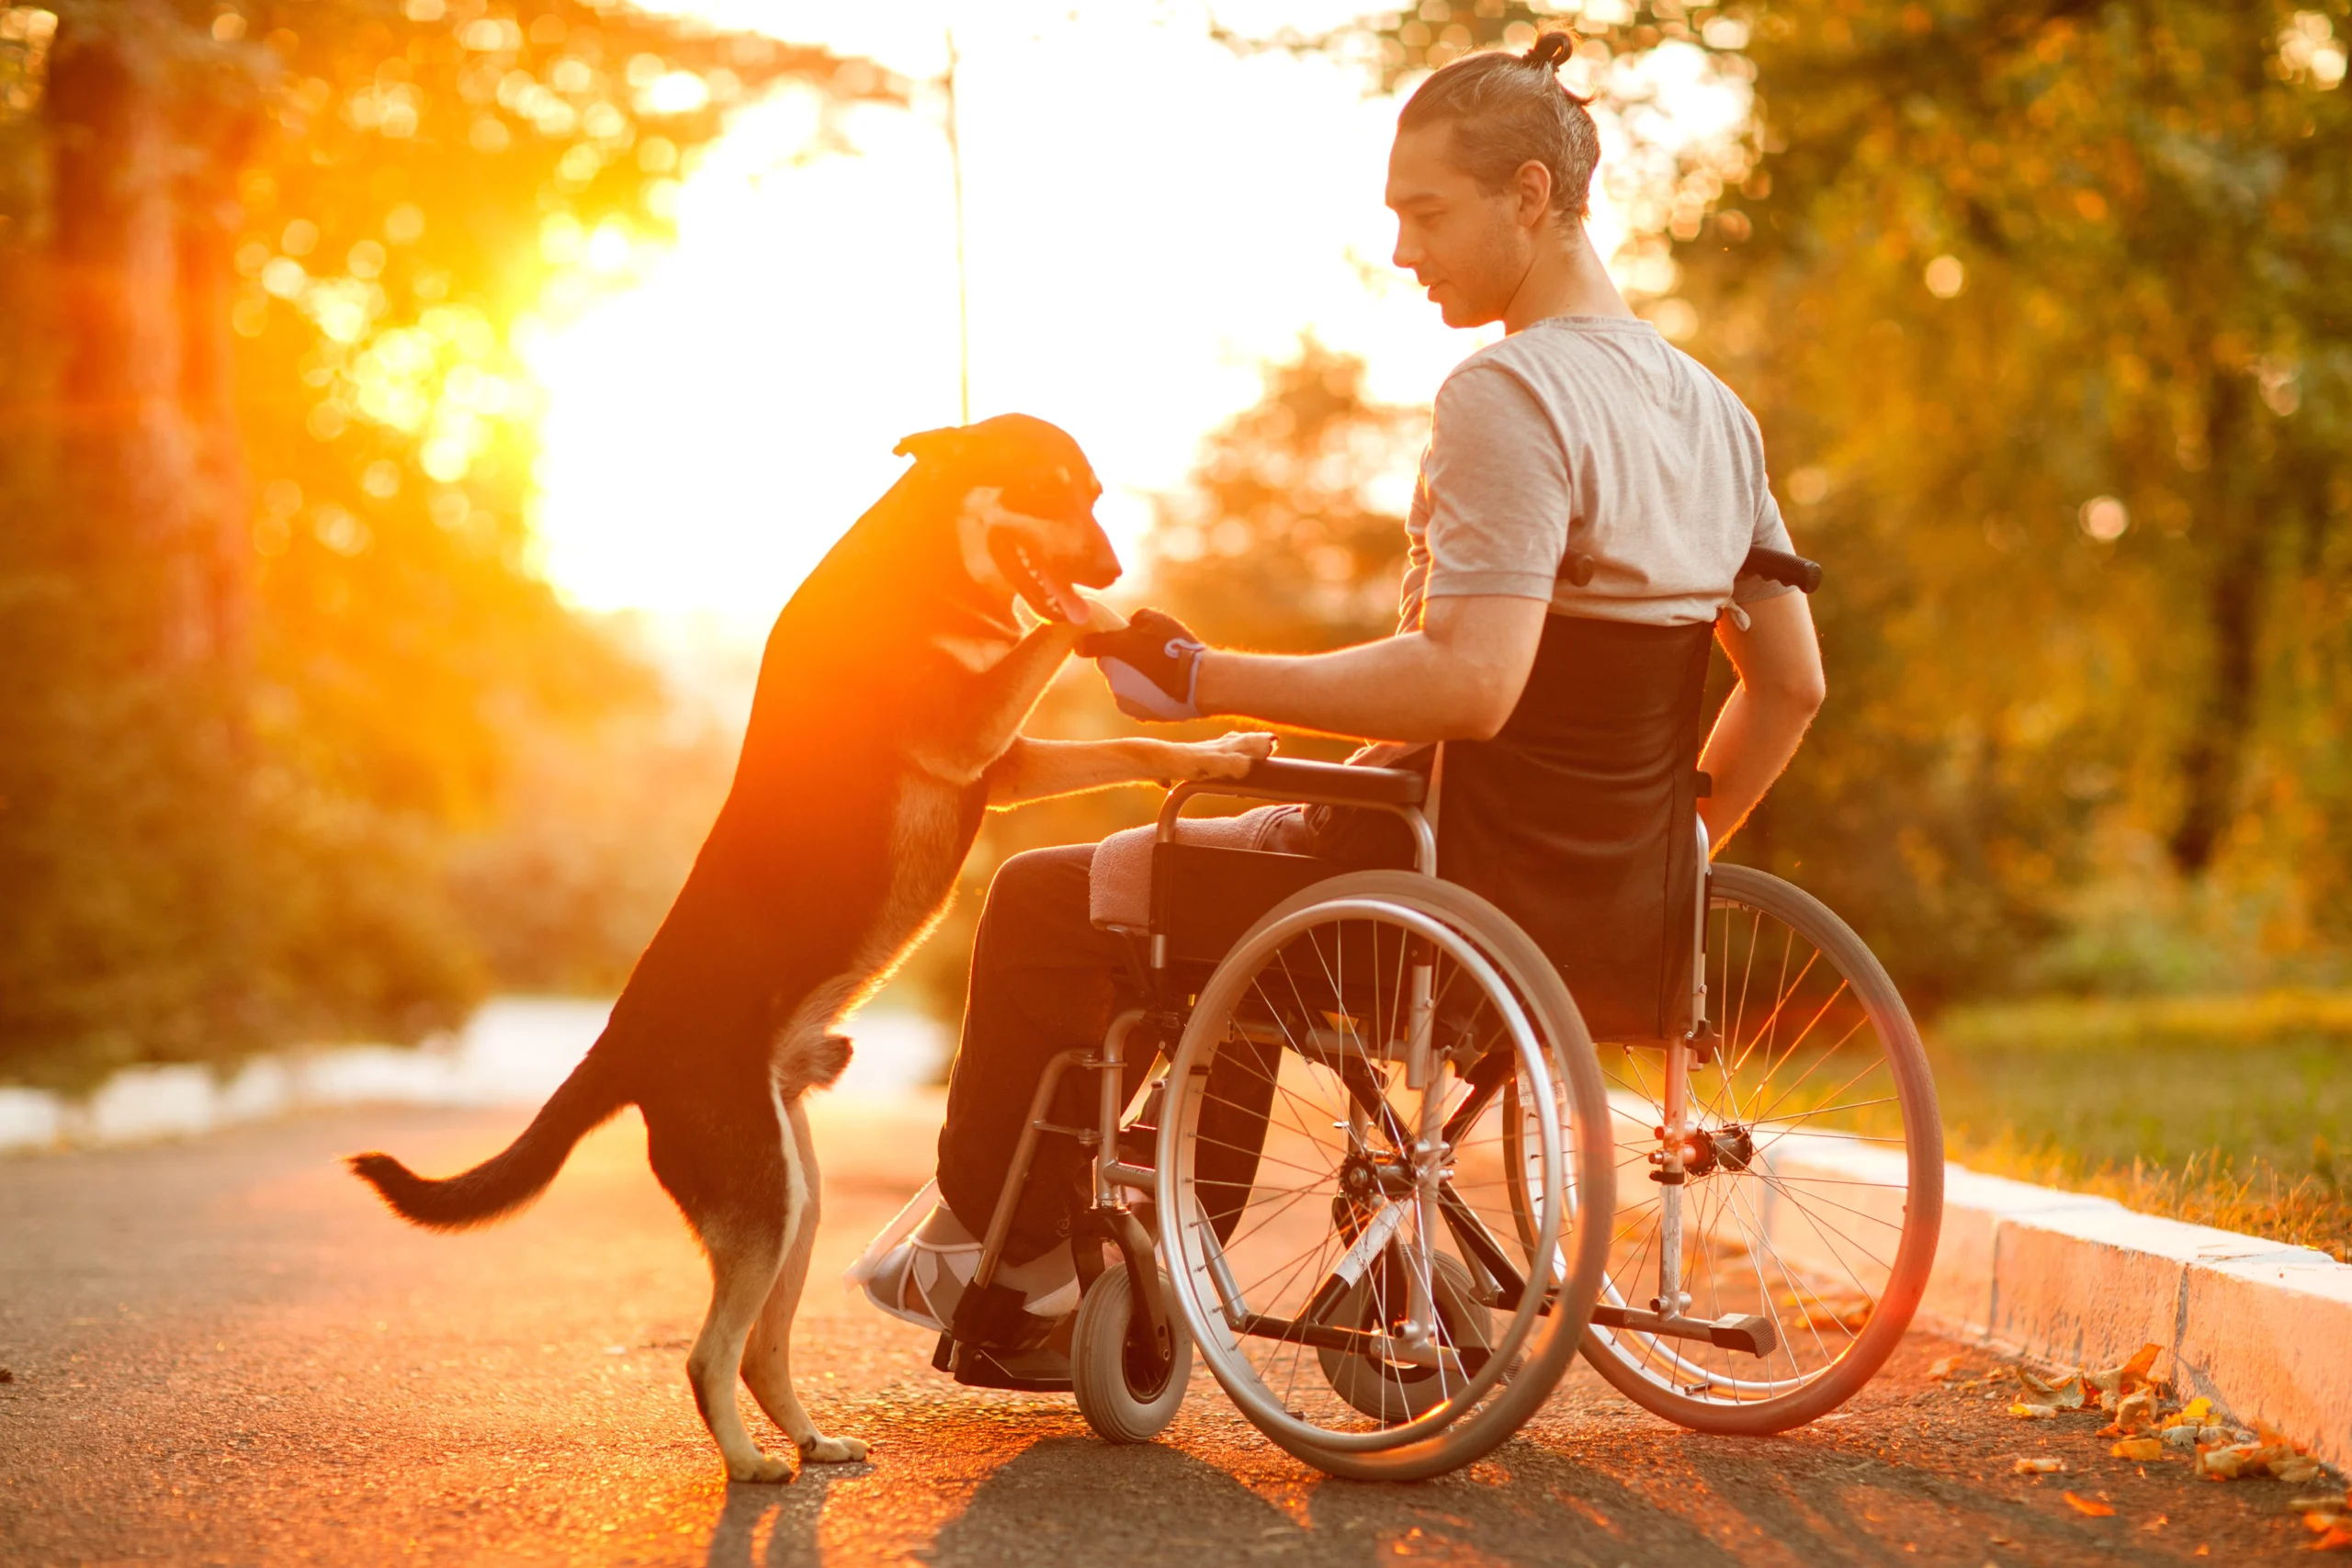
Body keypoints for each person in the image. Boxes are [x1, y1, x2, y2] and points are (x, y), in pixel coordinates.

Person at [859, 31, 1826, 1375]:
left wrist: (1206, 683)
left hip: (1425, 888)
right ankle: (1157, 1229)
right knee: (1233, 869)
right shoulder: (1716, 415)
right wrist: (1669, 840)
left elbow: (1471, 684)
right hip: (1600, 912)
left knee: (1048, 903)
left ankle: (1013, 1266)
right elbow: (1790, 683)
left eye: (1425, 213)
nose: (1403, 251)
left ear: (1531, 197)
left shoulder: (1509, 391)